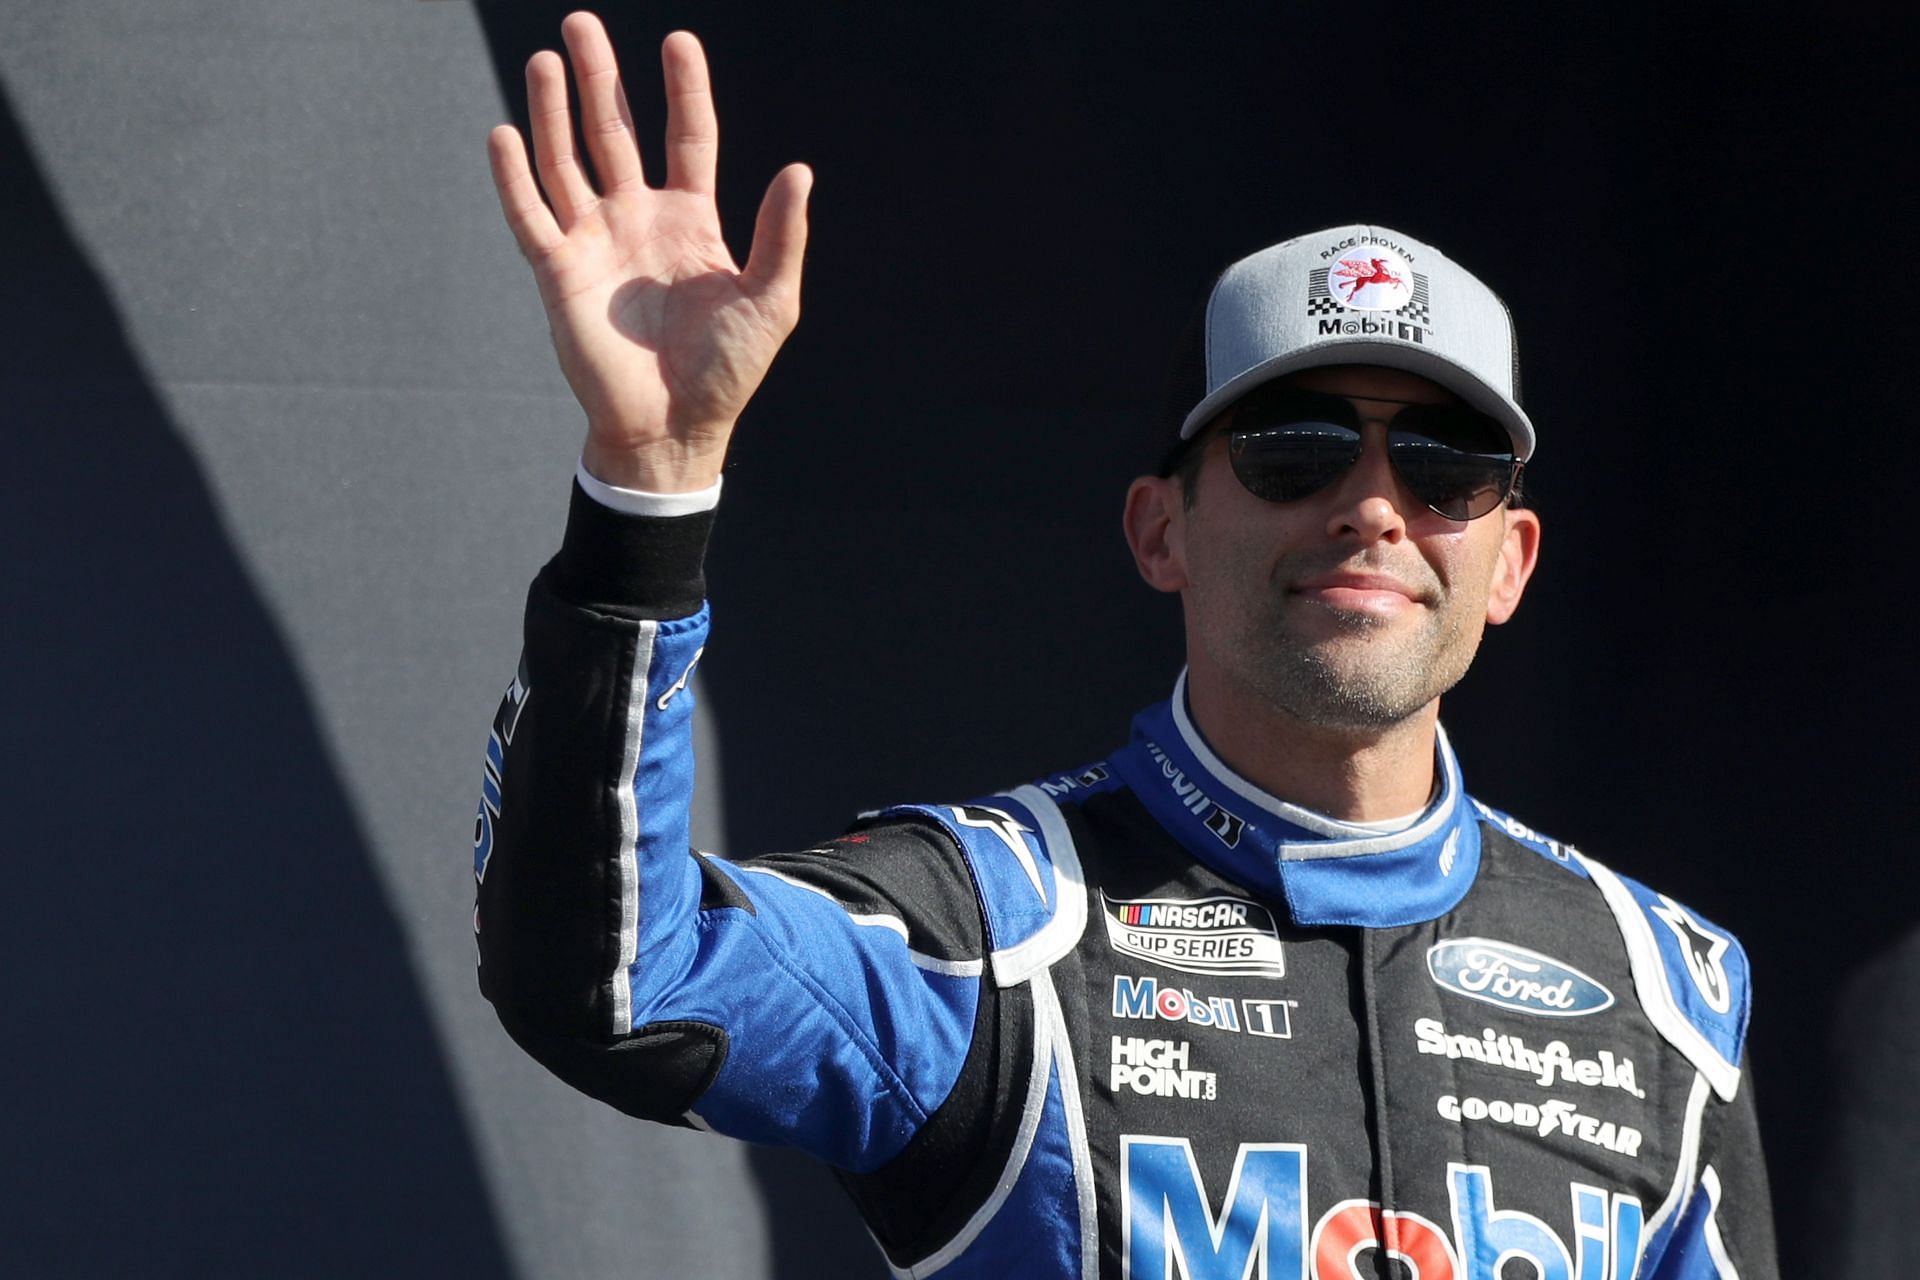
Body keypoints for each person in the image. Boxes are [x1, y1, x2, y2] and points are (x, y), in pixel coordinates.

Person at [473, 13, 1778, 1278]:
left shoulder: (1664, 988)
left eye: (1447, 466)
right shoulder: (994, 935)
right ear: (1161, 531)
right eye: (1295, 450)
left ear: (1512, 562)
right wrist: (649, 482)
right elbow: (614, 983)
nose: (1374, 506)